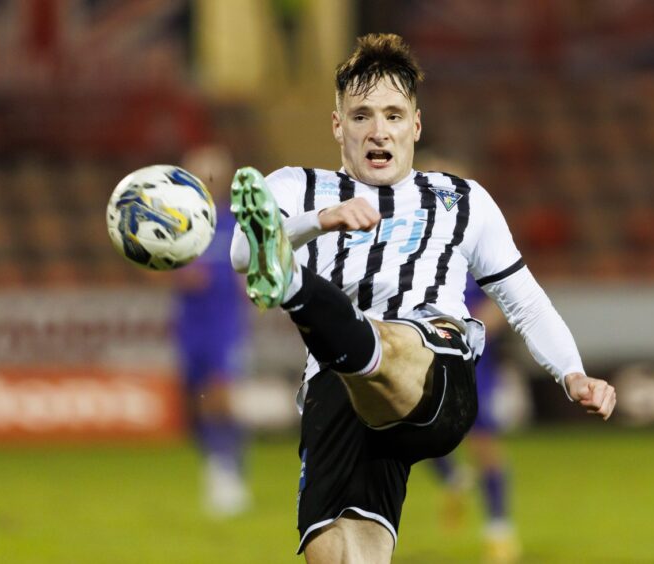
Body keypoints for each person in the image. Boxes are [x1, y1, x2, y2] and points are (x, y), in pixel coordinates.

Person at [229, 33, 616, 563]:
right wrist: (320, 220)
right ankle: (314, 306)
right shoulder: (293, 188)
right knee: (340, 552)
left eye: (392, 114)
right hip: (336, 390)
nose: (378, 130)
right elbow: (241, 252)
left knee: (391, 342)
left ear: (416, 124)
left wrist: (572, 372)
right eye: (361, 115)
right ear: (338, 126)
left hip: (437, 367)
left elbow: (521, 296)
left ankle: (296, 290)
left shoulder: (462, 200)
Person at [173, 144, 251, 517]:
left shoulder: (236, 222)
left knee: (219, 396)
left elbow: (257, 270)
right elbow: (151, 267)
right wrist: (176, 274)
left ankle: (230, 471)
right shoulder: (177, 222)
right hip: (189, 324)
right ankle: (215, 463)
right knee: (192, 403)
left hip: (225, 323)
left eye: (211, 173)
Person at [430, 276, 523, 563]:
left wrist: (467, 332)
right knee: (413, 430)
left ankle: (499, 530)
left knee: (483, 442)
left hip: (474, 363)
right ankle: (454, 478)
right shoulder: (417, 252)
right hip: (426, 358)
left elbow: (503, 304)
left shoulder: (473, 253)